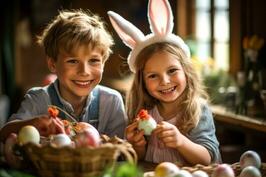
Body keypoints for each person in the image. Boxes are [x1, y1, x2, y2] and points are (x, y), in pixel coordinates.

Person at [0, 9, 127, 167]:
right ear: (53, 64)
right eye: (73, 61)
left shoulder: (111, 101)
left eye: (94, 60)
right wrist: (33, 123)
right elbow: (4, 134)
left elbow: (120, 152)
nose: (84, 71)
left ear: (103, 62)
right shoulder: (38, 99)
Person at [108, 0, 221, 165]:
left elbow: (207, 159)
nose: (165, 81)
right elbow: (140, 159)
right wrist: (137, 145)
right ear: (142, 81)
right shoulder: (144, 112)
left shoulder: (198, 110)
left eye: (172, 71)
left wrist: (180, 142)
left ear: (186, 71)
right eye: (153, 76)